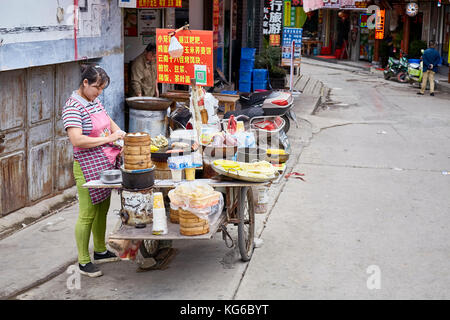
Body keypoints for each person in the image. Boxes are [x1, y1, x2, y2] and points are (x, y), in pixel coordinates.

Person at [62, 65, 126, 277]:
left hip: (104, 164)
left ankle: (100, 251)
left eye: (102, 89)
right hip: (86, 166)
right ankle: (83, 261)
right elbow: (77, 139)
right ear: (85, 83)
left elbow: (108, 121)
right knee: (87, 214)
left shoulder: (94, 101)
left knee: (102, 209)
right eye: (97, 87)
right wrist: (108, 139)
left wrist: (119, 133)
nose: (99, 92)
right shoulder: (73, 106)